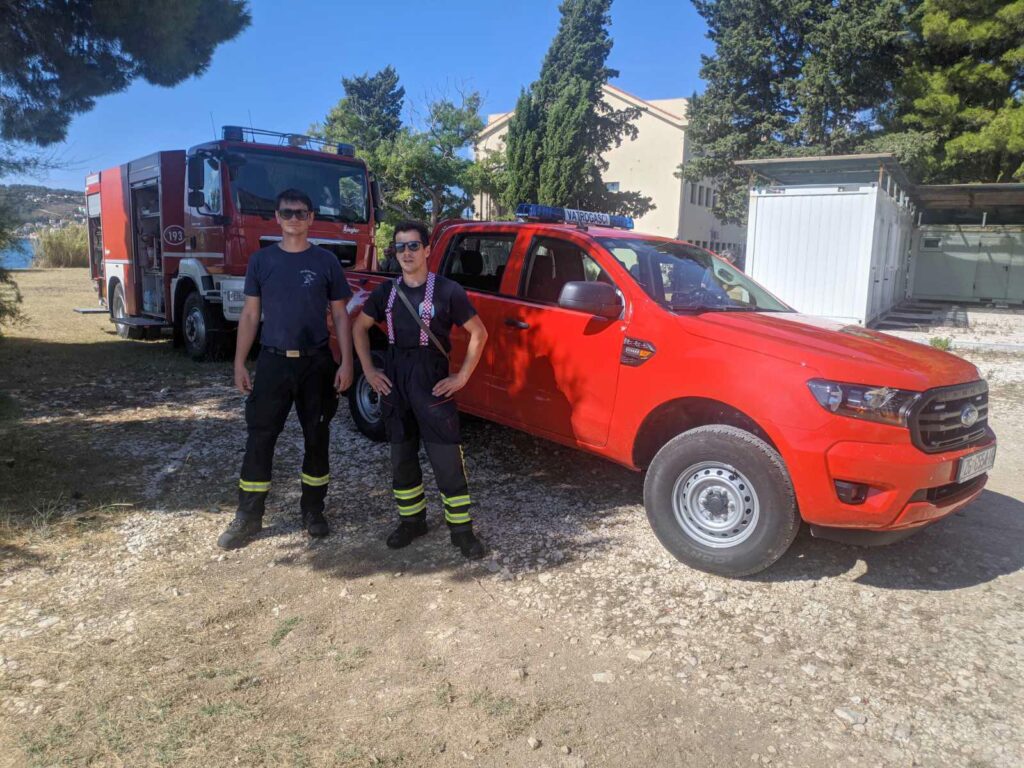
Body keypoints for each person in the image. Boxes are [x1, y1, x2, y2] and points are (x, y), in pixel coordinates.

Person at [217, 188, 354, 550]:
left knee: (317, 437)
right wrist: (239, 362)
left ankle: (313, 511)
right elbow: (250, 315)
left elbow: (341, 315)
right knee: (260, 438)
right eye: (287, 212)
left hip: (316, 363)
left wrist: (347, 362)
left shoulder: (326, 261)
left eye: (301, 212)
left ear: (311, 218)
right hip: (273, 362)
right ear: (277, 217)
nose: (294, 218)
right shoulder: (261, 261)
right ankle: (248, 516)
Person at [352, 221, 489, 559]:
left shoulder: (447, 291)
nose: (407, 253)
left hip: (431, 379)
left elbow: (479, 333)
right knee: (401, 456)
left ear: (427, 250)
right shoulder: (386, 292)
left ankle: (462, 531)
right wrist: (369, 370)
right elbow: (359, 327)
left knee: (446, 457)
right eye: (400, 247)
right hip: (395, 377)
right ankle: (412, 521)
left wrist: (462, 377)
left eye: (413, 246)